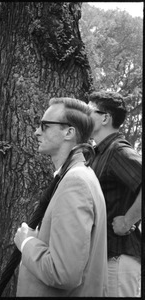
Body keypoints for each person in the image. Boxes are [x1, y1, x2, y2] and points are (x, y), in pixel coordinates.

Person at [14, 97, 108, 297]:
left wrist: (26, 242)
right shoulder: (76, 176)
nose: (36, 131)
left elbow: (63, 273)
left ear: (69, 132)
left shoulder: (75, 182)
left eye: (45, 125)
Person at [88, 91, 141, 297]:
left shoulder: (117, 150)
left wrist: (129, 220)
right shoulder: (99, 152)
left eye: (88, 111)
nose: (83, 116)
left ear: (104, 118)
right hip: (104, 258)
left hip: (119, 260)